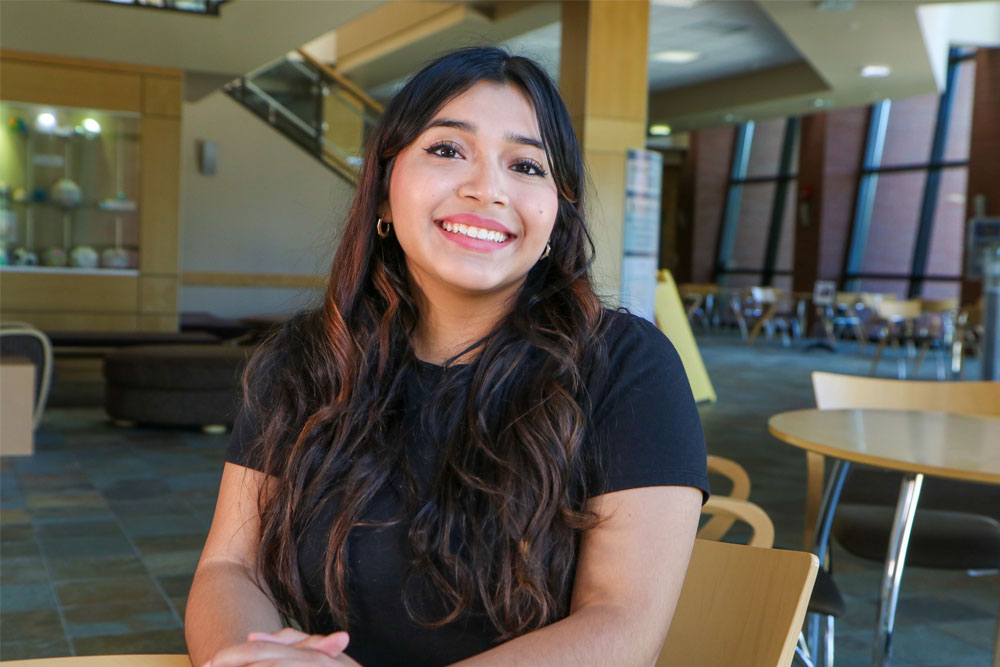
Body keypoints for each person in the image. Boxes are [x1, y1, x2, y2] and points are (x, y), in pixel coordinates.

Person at [186, 46, 708, 667]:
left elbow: (622, 626)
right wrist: (247, 659)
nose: (486, 188)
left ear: (556, 218)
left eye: (526, 165)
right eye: (446, 149)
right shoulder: (311, 356)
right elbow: (230, 566)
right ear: (383, 191)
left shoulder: (627, 364)